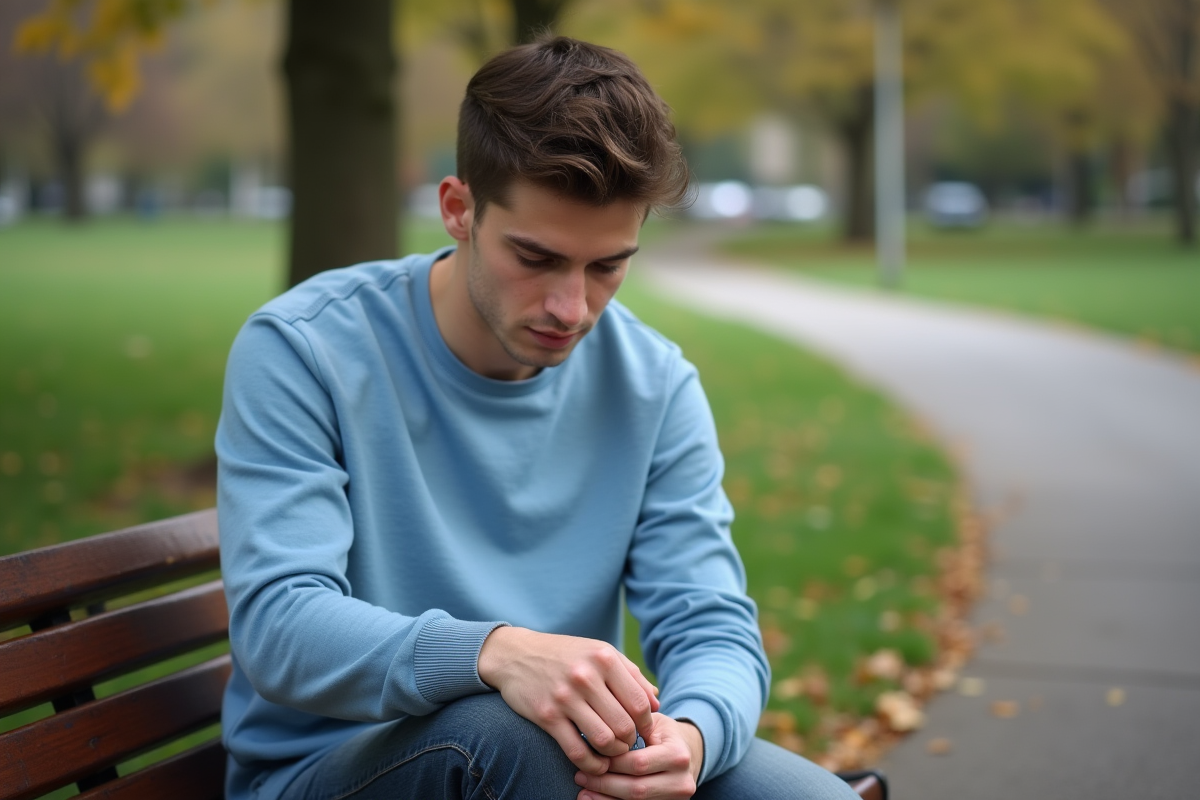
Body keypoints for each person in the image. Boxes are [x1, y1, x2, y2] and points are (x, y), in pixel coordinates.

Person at [217, 35, 860, 800]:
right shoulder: (306, 350)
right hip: (335, 770)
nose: (571, 307)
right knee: (506, 739)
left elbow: (711, 627)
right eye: (536, 257)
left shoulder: (652, 383)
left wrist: (688, 740)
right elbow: (281, 627)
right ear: (459, 210)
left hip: (563, 757)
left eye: (607, 266)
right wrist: (494, 654)